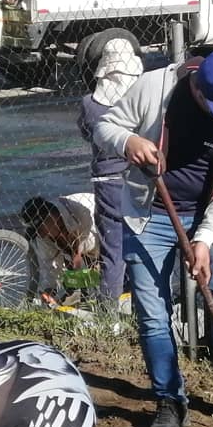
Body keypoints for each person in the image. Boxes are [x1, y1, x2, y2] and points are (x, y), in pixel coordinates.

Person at [93, 48, 213, 427]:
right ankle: (169, 400)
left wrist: (204, 238)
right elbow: (105, 127)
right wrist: (128, 140)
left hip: (210, 220)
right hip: (150, 215)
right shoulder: (156, 87)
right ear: (199, 90)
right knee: (153, 313)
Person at [79, 40, 146, 305]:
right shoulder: (140, 99)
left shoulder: (90, 104)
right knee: (143, 241)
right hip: (141, 180)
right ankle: (142, 301)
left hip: (107, 181)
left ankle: (109, 308)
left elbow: (86, 133)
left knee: (112, 247)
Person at [19, 194, 100, 306]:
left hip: (101, 233)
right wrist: (49, 289)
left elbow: (88, 245)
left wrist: (78, 255)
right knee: (68, 253)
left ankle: (100, 284)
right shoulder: (43, 235)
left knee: (83, 257)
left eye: (40, 229)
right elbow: (48, 263)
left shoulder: (80, 212)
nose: (41, 235)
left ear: (51, 217)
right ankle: (79, 288)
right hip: (80, 245)